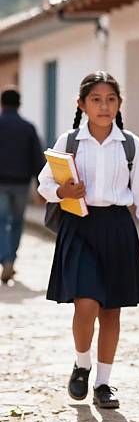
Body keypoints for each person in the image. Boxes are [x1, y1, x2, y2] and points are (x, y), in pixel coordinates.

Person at [38, 71, 139, 409]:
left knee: (111, 311)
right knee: (86, 302)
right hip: (79, 226)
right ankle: (82, 364)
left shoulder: (130, 144)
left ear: (119, 104)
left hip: (118, 228)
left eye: (110, 100)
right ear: (82, 104)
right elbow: (44, 184)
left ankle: (104, 383)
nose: (104, 106)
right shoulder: (69, 141)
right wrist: (62, 191)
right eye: (96, 99)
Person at [0, 88, 45, 283]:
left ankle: (6, 258)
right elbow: (37, 158)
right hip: (21, 184)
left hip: (0, 184)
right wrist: (41, 186)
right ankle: (12, 259)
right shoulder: (28, 128)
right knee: (17, 222)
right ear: (19, 104)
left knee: (0, 222)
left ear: (2, 103)